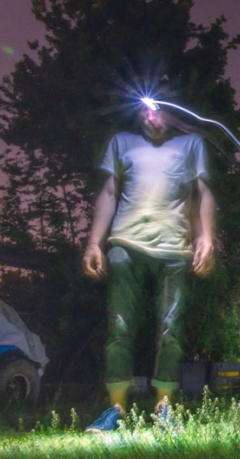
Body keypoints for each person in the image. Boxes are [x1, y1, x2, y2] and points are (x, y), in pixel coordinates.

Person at [82, 103, 215, 432]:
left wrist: (206, 238)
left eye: (157, 110)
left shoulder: (190, 145)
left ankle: (163, 407)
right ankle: (115, 409)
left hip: (174, 250)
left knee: (171, 329)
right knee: (119, 327)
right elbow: (110, 191)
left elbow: (202, 194)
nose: (151, 117)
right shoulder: (122, 142)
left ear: (170, 112)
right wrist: (93, 243)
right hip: (125, 245)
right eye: (144, 111)